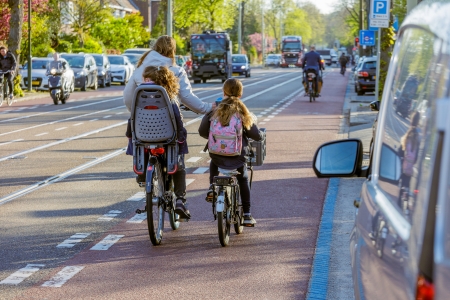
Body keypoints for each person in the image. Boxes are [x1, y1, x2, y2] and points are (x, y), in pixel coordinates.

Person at [126, 65, 191, 219]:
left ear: (147, 79)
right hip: (167, 138)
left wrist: (130, 135)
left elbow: (133, 118)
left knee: (144, 147)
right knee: (179, 164)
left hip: (143, 137)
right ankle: (180, 199)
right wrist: (182, 136)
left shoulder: (139, 95)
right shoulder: (167, 95)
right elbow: (177, 119)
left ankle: (142, 175)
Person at [198, 78, 265, 226]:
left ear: (224, 92)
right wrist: (260, 135)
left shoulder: (215, 110)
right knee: (243, 178)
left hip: (216, 155)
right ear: (240, 94)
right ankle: (247, 214)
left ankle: (212, 187)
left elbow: (202, 131)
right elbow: (255, 134)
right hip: (237, 156)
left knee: (214, 160)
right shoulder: (242, 111)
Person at [123, 35, 213, 114]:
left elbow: (128, 96)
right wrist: (207, 108)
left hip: (142, 122)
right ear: (173, 51)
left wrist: (136, 111)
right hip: (167, 123)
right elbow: (187, 97)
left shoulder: (139, 69)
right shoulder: (177, 71)